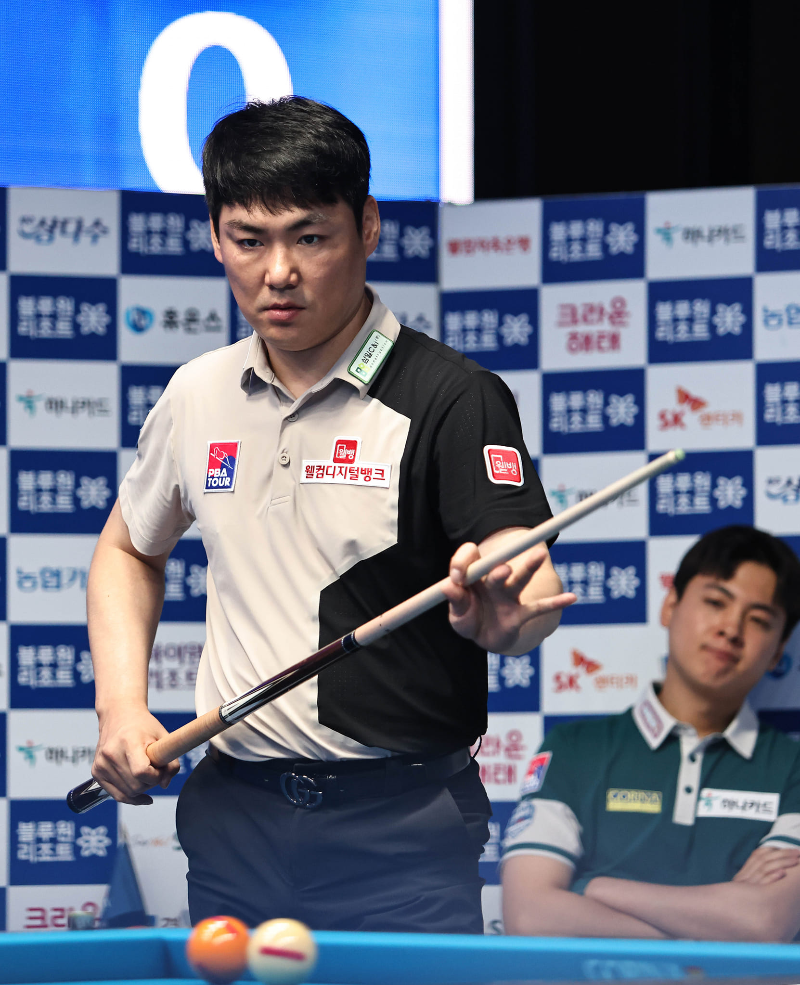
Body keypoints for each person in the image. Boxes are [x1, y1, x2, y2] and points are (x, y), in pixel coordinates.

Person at [87, 97, 574, 933]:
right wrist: (121, 708)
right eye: (249, 239)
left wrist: (508, 618)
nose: (279, 271)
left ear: (367, 226)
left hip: (400, 828)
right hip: (233, 818)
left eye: (310, 237)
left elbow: (520, 578)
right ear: (215, 239)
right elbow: (128, 550)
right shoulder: (197, 393)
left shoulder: (453, 397)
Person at [501, 525, 800, 942]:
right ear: (670, 606)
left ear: (778, 650)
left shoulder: (792, 769)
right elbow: (529, 917)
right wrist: (711, 930)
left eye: (759, 620)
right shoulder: (574, 750)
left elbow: (764, 923)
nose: (731, 629)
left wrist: (596, 887)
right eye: (716, 602)